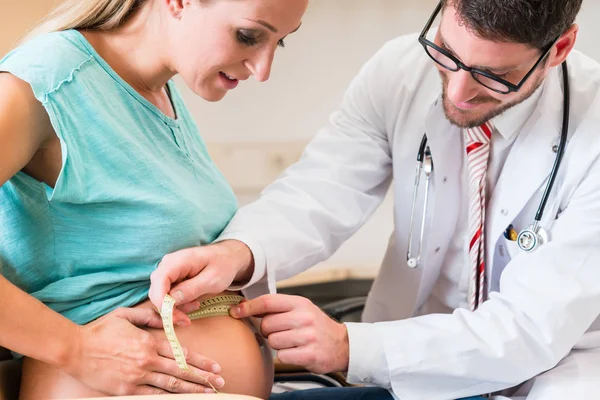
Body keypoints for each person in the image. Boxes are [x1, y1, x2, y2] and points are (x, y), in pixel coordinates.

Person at [149, 0, 600, 399]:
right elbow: (322, 188)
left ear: (558, 49)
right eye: (447, 51)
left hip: (548, 375)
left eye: (494, 76)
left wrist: (349, 347)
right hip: (410, 378)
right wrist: (241, 252)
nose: (458, 93)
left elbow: (527, 331)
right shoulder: (400, 71)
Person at [0, 0, 307, 398]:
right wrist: (77, 350)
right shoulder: (50, 80)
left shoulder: (157, 93)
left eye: (278, 43)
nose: (262, 70)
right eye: (248, 36)